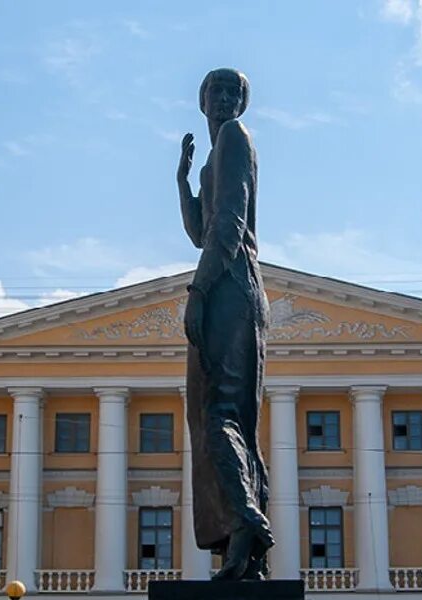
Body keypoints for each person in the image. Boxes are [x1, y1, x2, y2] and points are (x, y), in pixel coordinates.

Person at [177, 68, 273, 580]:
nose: (226, 99)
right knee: (220, 416)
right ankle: (244, 551)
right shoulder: (217, 154)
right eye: (217, 91)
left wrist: (198, 292)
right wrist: (183, 183)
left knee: (219, 413)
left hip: (230, 285)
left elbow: (231, 223)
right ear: (202, 99)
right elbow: (200, 231)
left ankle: (248, 520)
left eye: (234, 92)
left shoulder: (236, 137)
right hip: (227, 281)